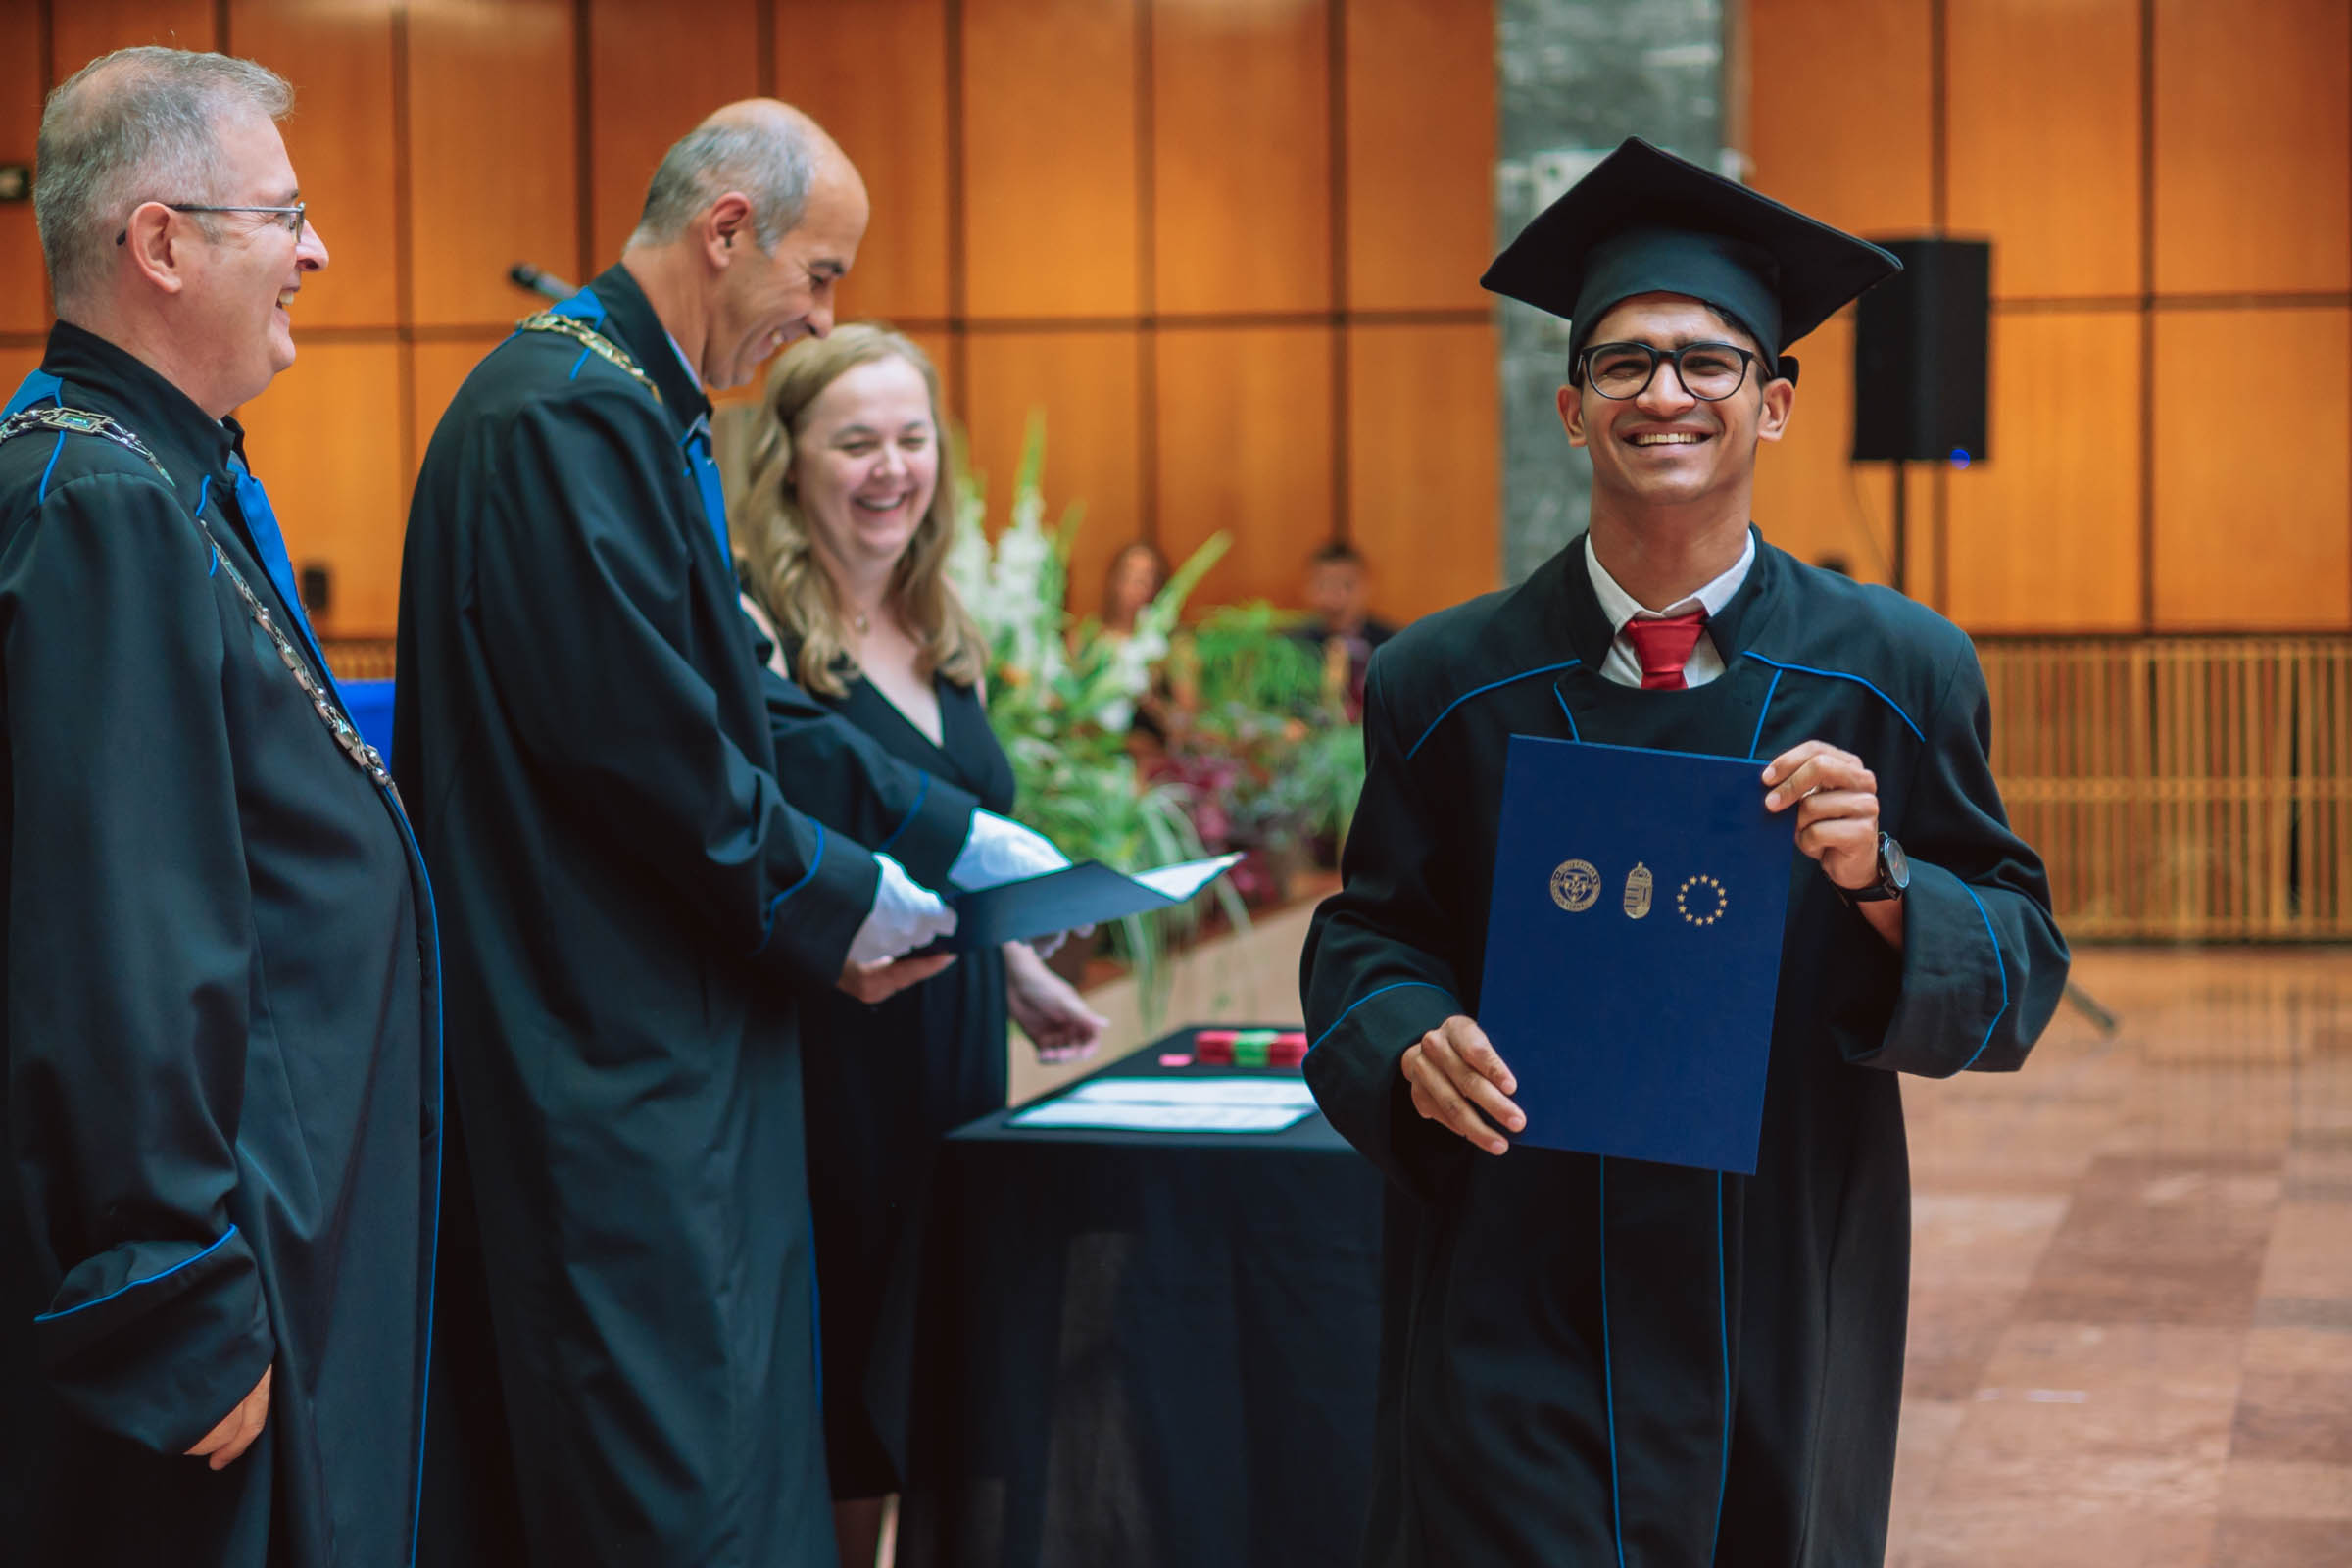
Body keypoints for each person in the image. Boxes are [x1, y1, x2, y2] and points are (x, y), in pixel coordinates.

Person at [1299, 137, 2070, 1567]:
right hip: (1517, 1252)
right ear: (1570, 408)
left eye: (1709, 363)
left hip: (1779, 1257)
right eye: (1624, 363)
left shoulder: (1896, 671)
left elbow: (2019, 957)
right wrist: (1406, 1030)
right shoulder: (1444, 679)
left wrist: (1887, 882)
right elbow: (1372, 929)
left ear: (1774, 403)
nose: (1665, 393)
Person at [394, 103, 1073, 1566]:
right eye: (817, 274)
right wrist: (844, 898)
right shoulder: (569, 414)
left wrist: (940, 844)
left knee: (733, 1455)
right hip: (606, 1045)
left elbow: (740, 716)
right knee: (668, 1482)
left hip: (663, 1038)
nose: (819, 315)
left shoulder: (626, 405)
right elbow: (649, 750)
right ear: (724, 231)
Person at [0, 47, 438, 1567]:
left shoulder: (143, 472)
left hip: (276, 1223)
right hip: (215, 1284)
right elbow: (114, 942)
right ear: (163, 244)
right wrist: (173, 1301)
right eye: (285, 215)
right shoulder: (100, 504)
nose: (318, 252)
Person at [734, 322, 1109, 1567]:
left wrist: (1020, 968)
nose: (892, 468)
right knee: (852, 1371)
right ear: (789, 459)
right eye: (857, 442)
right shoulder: (753, 628)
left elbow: (954, 858)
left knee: (945, 1354)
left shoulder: (940, 625)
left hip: (952, 1053)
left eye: (912, 438)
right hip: (829, 1055)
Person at [1293, 540, 1396, 721]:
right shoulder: (1292, 647)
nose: (1335, 599)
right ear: (1307, 589)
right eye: (1324, 586)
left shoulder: (1393, 645)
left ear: (1366, 587)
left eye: (1347, 586)